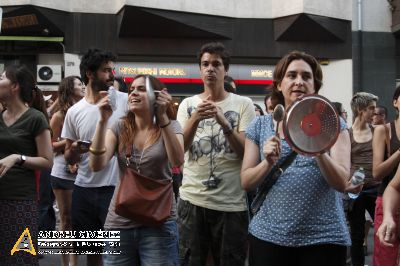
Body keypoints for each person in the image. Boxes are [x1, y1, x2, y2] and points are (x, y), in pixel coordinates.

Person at [241, 51, 353, 266]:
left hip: (324, 239)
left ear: (315, 86)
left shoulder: (333, 122)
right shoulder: (260, 125)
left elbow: (341, 182)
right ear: (279, 84)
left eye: (306, 76)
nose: (299, 82)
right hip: (269, 237)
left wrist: (318, 147)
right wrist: (268, 163)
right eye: (292, 76)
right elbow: (246, 182)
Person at [89, 74, 184, 265]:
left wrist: (163, 116)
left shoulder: (172, 126)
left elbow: (177, 161)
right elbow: (97, 165)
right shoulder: (119, 126)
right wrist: (102, 121)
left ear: (157, 95)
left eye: (141, 89)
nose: (133, 93)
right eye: (131, 89)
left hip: (160, 221)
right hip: (119, 222)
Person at [177, 42, 256, 265]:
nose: (210, 68)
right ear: (200, 70)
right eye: (205, 64)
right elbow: (178, 150)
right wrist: (194, 118)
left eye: (216, 64)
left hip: (231, 204)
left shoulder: (243, 104)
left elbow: (246, 152)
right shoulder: (187, 104)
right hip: (192, 200)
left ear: (225, 70)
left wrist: (224, 121)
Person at [62, 48, 128, 265]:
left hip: (117, 188)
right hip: (84, 188)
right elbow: (69, 158)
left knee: (118, 251)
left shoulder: (125, 101)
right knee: (93, 253)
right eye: (106, 70)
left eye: (112, 70)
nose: (112, 75)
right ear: (90, 74)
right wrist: (75, 151)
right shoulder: (74, 111)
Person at [0, 65, 53, 265]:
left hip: (19, 201)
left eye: (2, 77)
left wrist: (17, 158)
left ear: (14, 86)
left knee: (19, 258)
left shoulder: (35, 118)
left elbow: (47, 161)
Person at [50, 75, 85, 266]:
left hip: (84, 173)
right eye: (79, 84)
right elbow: (49, 145)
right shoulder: (58, 115)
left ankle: (75, 260)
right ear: (69, 89)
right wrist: (70, 141)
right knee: (66, 219)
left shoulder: (87, 111)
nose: (83, 86)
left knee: (79, 220)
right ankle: (68, 263)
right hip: (62, 172)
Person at [347, 92, 379, 266]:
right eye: (371, 108)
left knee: (383, 230)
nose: (374, 112)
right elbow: (344, 163)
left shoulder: (377, 131)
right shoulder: (347, 134)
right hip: (356, 189)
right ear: (360, 110)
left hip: (376, 186)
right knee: (357, 235)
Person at [372, 85, 400, 266]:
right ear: (395, 102)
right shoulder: (384, 130)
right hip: (388, 197)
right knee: (386, 256)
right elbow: (377, 173)